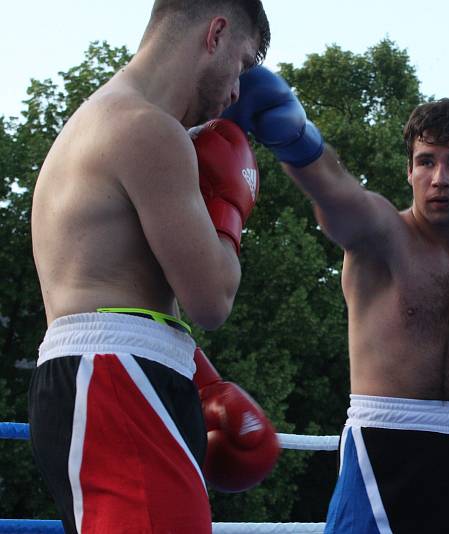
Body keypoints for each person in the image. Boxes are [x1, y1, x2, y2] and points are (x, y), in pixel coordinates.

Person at [223, 67, 449, 533]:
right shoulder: (382, 235)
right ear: (409, 170)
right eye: (426, 161)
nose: (439, 178)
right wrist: (296, 140)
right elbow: (335, 194)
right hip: (386, 446)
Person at [28, 2, 278, 533]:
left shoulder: (104, 118)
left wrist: (202, 379)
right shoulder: (149, 130)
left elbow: (116, 288)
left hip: (108, 376)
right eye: (243, 64)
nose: (237, 90)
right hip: (118, 380)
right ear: (216, 32)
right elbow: (211, 300)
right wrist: (232, 204)